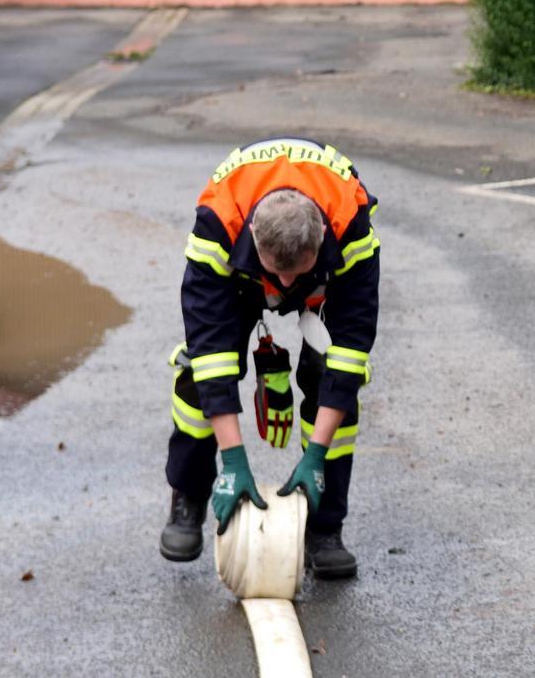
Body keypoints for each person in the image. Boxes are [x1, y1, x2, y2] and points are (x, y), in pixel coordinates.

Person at [157, 137, 379, 580]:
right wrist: (234, 460)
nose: (284, 283)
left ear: (321, 238)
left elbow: (351, 353)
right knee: (195, 383)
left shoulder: (348, 221)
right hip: (239, 282)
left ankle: (324, 527)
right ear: (254, 234)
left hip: (323, 283)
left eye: (295, 271)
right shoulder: (220, 222)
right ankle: (189, 494)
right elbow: (211, 354)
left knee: (329, 374)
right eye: (277, 271)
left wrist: (316, 455)